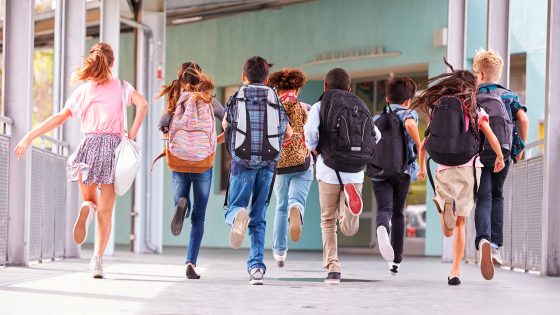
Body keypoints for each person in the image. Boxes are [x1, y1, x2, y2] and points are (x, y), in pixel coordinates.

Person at [14, 43, 148, 279]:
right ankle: (97, 261)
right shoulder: (121, 87)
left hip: (87, 147)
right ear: (112, 63)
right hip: (112, 149)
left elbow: (59, 118)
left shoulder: (84, 91)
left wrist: (30, 135)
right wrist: (132, 134)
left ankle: (87, 208)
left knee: (90, 201)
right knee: (106, 212)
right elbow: (143, 105)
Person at [416, 64, 505, 285]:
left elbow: (424, 145)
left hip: (443, 168)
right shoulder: (474, 108)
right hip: (468, 168)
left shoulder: (438, 107)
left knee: (447, 230)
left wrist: (419, 168)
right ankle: (456, 271)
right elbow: (491, 136)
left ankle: (447, 212)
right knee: (461, 223)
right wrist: (499, 157)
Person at [222, 56, 292, 285]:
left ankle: (237, 217)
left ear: (244, 77)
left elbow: (226, 125)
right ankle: (256, 269)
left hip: (241, 162)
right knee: (259, 216)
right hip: (268, 164)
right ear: (266, 78)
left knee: (234, 207)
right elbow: (287, 133)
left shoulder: (236, 97)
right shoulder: (275, 98)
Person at [305, 68, 376, 285]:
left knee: (328, 221)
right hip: (355, 171)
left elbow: (310, 131)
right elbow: (376, 135)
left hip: (328, 168)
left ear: (325, 87)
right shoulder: (360, 104)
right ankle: (350, 208)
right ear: (349, 87)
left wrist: (313, 148)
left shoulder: (321, 104)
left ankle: (333, 268)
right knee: (348, 227)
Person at [156, 62, 224, 279]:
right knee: (200, 216)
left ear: (181, 80)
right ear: (200, 79)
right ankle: (191, 263)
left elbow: (163, 124)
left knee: (181, 198)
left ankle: (181, 204)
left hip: (179, 159)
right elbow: (229, 120)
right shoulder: (209, 101)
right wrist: (216, 140)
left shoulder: (175, 100)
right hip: (203, 160)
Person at [472, 49, 529, 279]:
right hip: (502, 154)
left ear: (481, 74)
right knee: (497, 196)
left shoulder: (473, 96)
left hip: (478, 154)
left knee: (483, 198)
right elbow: (523, 119)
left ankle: (483, 239)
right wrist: (520, 147)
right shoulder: (510, 96)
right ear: (498, 72)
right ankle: (495, 246)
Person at [370, 77, 421, 274]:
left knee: (385, 208)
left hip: (379, 170)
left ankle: (382, 226)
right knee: (399, 213)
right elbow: (409, 126)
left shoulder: (375, 119)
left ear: (387, 98)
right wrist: (419, 145)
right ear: (408, 99)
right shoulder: (409, 113)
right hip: (402, 170)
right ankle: (396, 261)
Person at [267, 68, 313, 267]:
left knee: (280, 207)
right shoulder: (305, 107)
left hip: (279, 165)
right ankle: (298, 209)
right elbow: (313, 137)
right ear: (298, 88)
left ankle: (279, 252)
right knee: (297, 200)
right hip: (302, 162)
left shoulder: (272, 107)